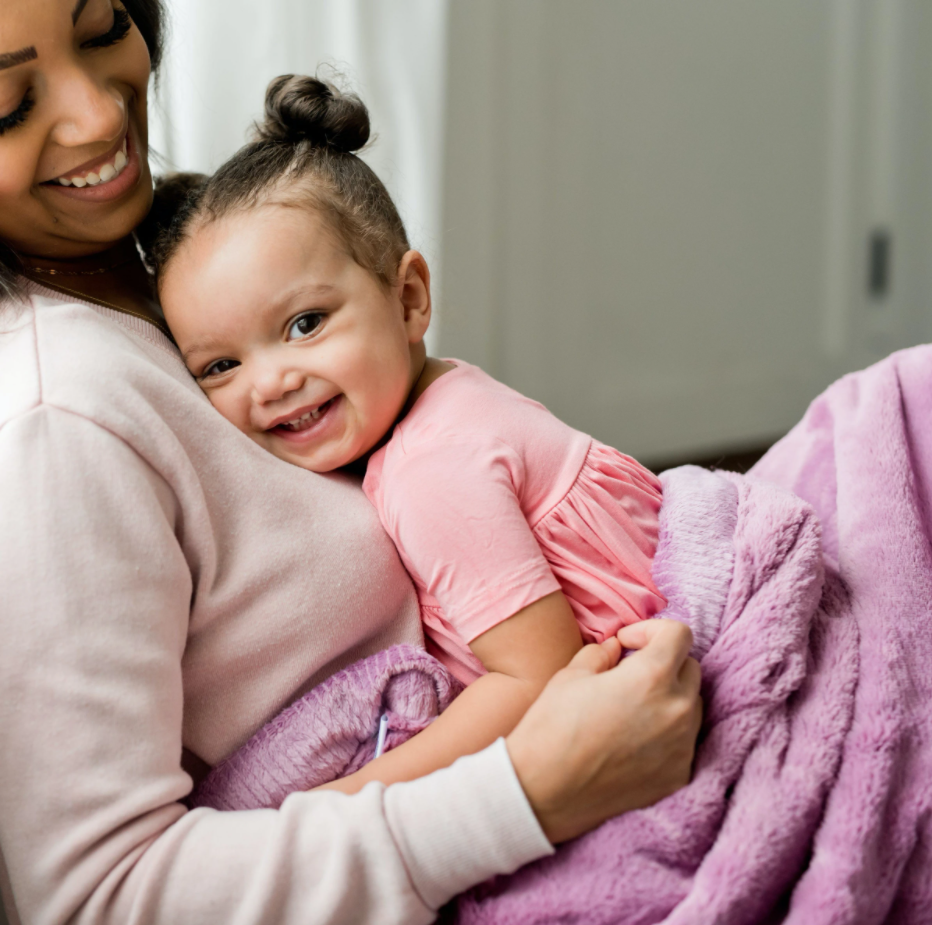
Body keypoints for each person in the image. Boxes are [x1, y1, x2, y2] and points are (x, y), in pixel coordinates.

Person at [0, 3, 702, 924]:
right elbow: (100, 896)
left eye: (101, 29)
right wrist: (530, 789)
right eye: (9, 102)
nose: (97, 116)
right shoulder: (63, 418)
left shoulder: (159, 262)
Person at [156, 74, 675, 796]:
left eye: (305, 324)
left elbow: (538, 678)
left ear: (408, 298)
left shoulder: (431, 469)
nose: (270, 382)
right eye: (220, 364)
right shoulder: (443, 397)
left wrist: (340, 805)